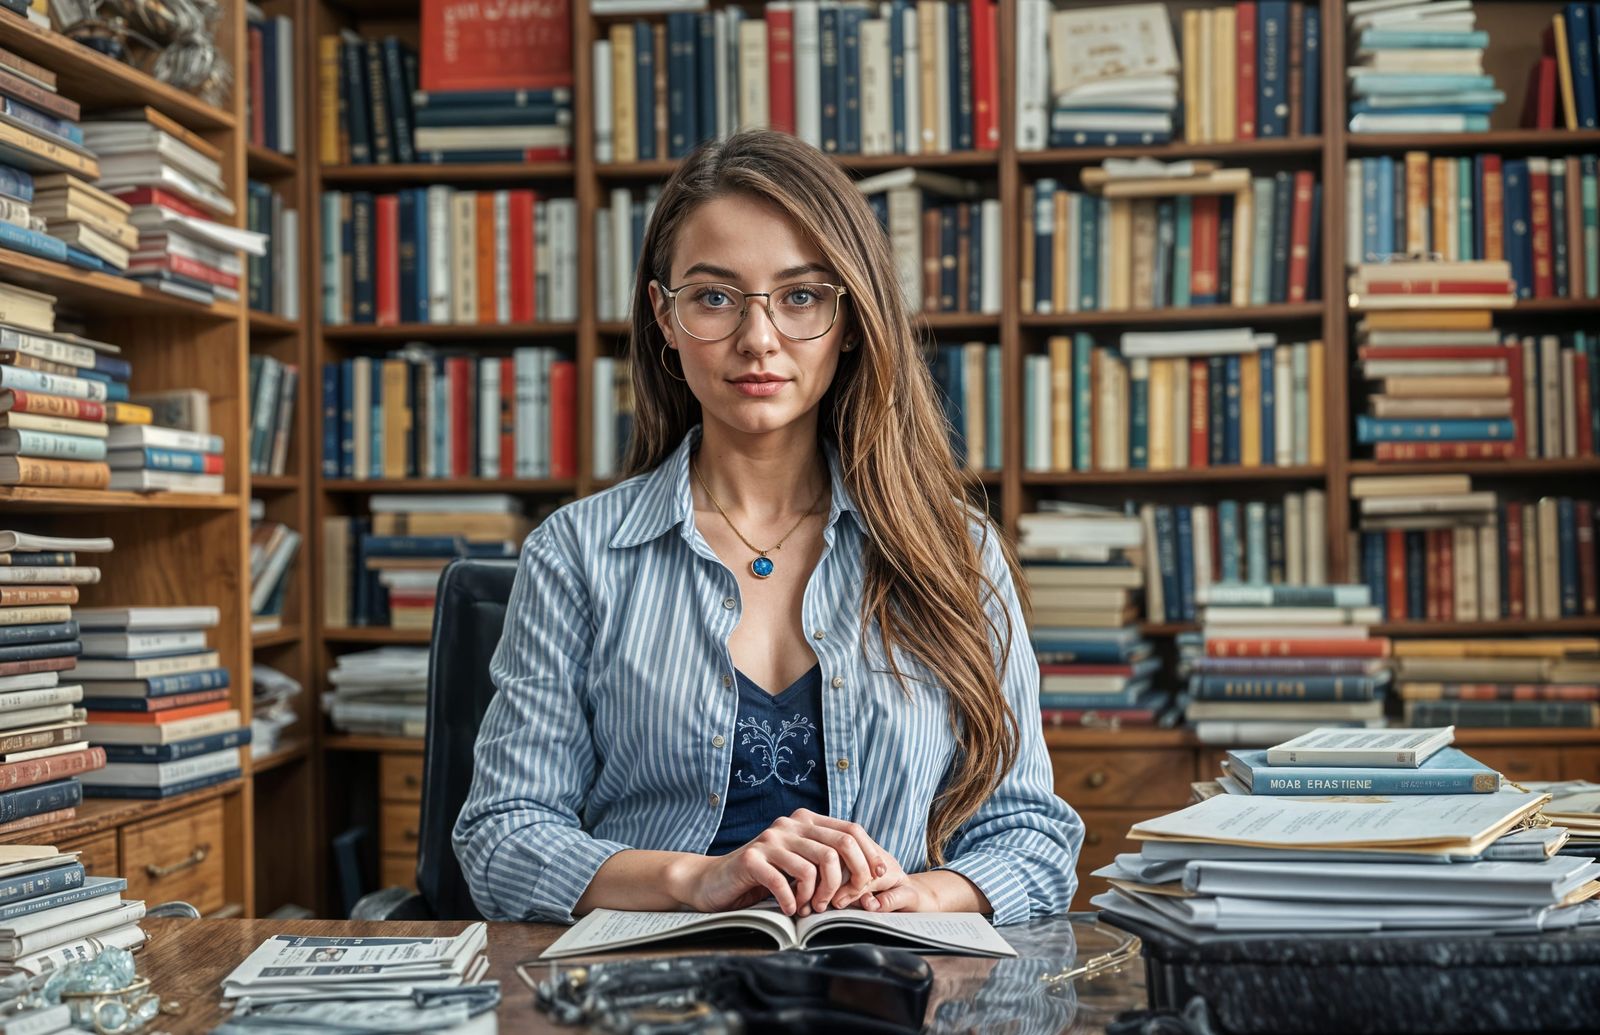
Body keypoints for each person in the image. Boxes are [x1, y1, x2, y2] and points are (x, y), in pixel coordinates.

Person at [454, 130, 1083, 926]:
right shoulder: (577, 555)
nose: (758, 339)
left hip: (892, 979)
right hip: (655, 990)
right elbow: (501, 837)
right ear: (664, 317)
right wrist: (697, 879)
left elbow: (1032, 837)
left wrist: (919, 897)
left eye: (800, 296)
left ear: (851, 318)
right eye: (714, 297)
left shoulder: (956, 552)